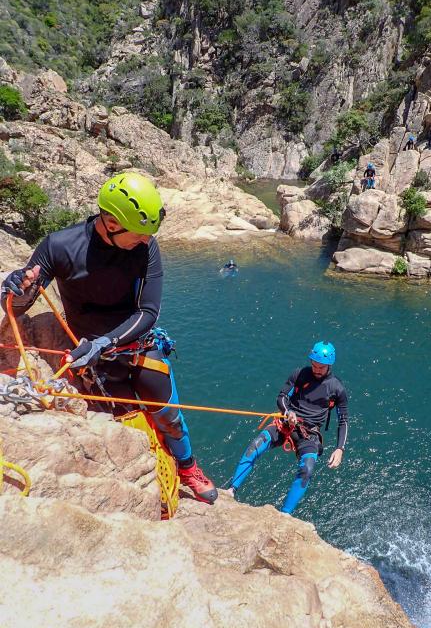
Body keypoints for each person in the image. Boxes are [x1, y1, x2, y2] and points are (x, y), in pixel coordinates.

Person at [0, 171, 218, 504]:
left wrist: (106, 343)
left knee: (168, 412)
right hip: (93, 357)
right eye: (140, 233)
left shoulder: (146, 249)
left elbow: (148, 312)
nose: (146, 240)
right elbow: (17, 307)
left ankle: (188, 466)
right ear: (112, 222)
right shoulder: (60, 247)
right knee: (124, 421)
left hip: (131, 343)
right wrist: (18, 286)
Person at [228, 341, 349, 515]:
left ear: (329, 365)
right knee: (256, 445)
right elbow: (282, 396)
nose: (316, 370)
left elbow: (343, 419)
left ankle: (284, 514)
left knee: (307, 468)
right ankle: (232, 489)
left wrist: (339, 448)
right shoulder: (300, 374)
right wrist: (288, 411)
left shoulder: (337, 388)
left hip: (309, 433)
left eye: (321, 367)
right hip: (286, 423)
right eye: (314, 365)